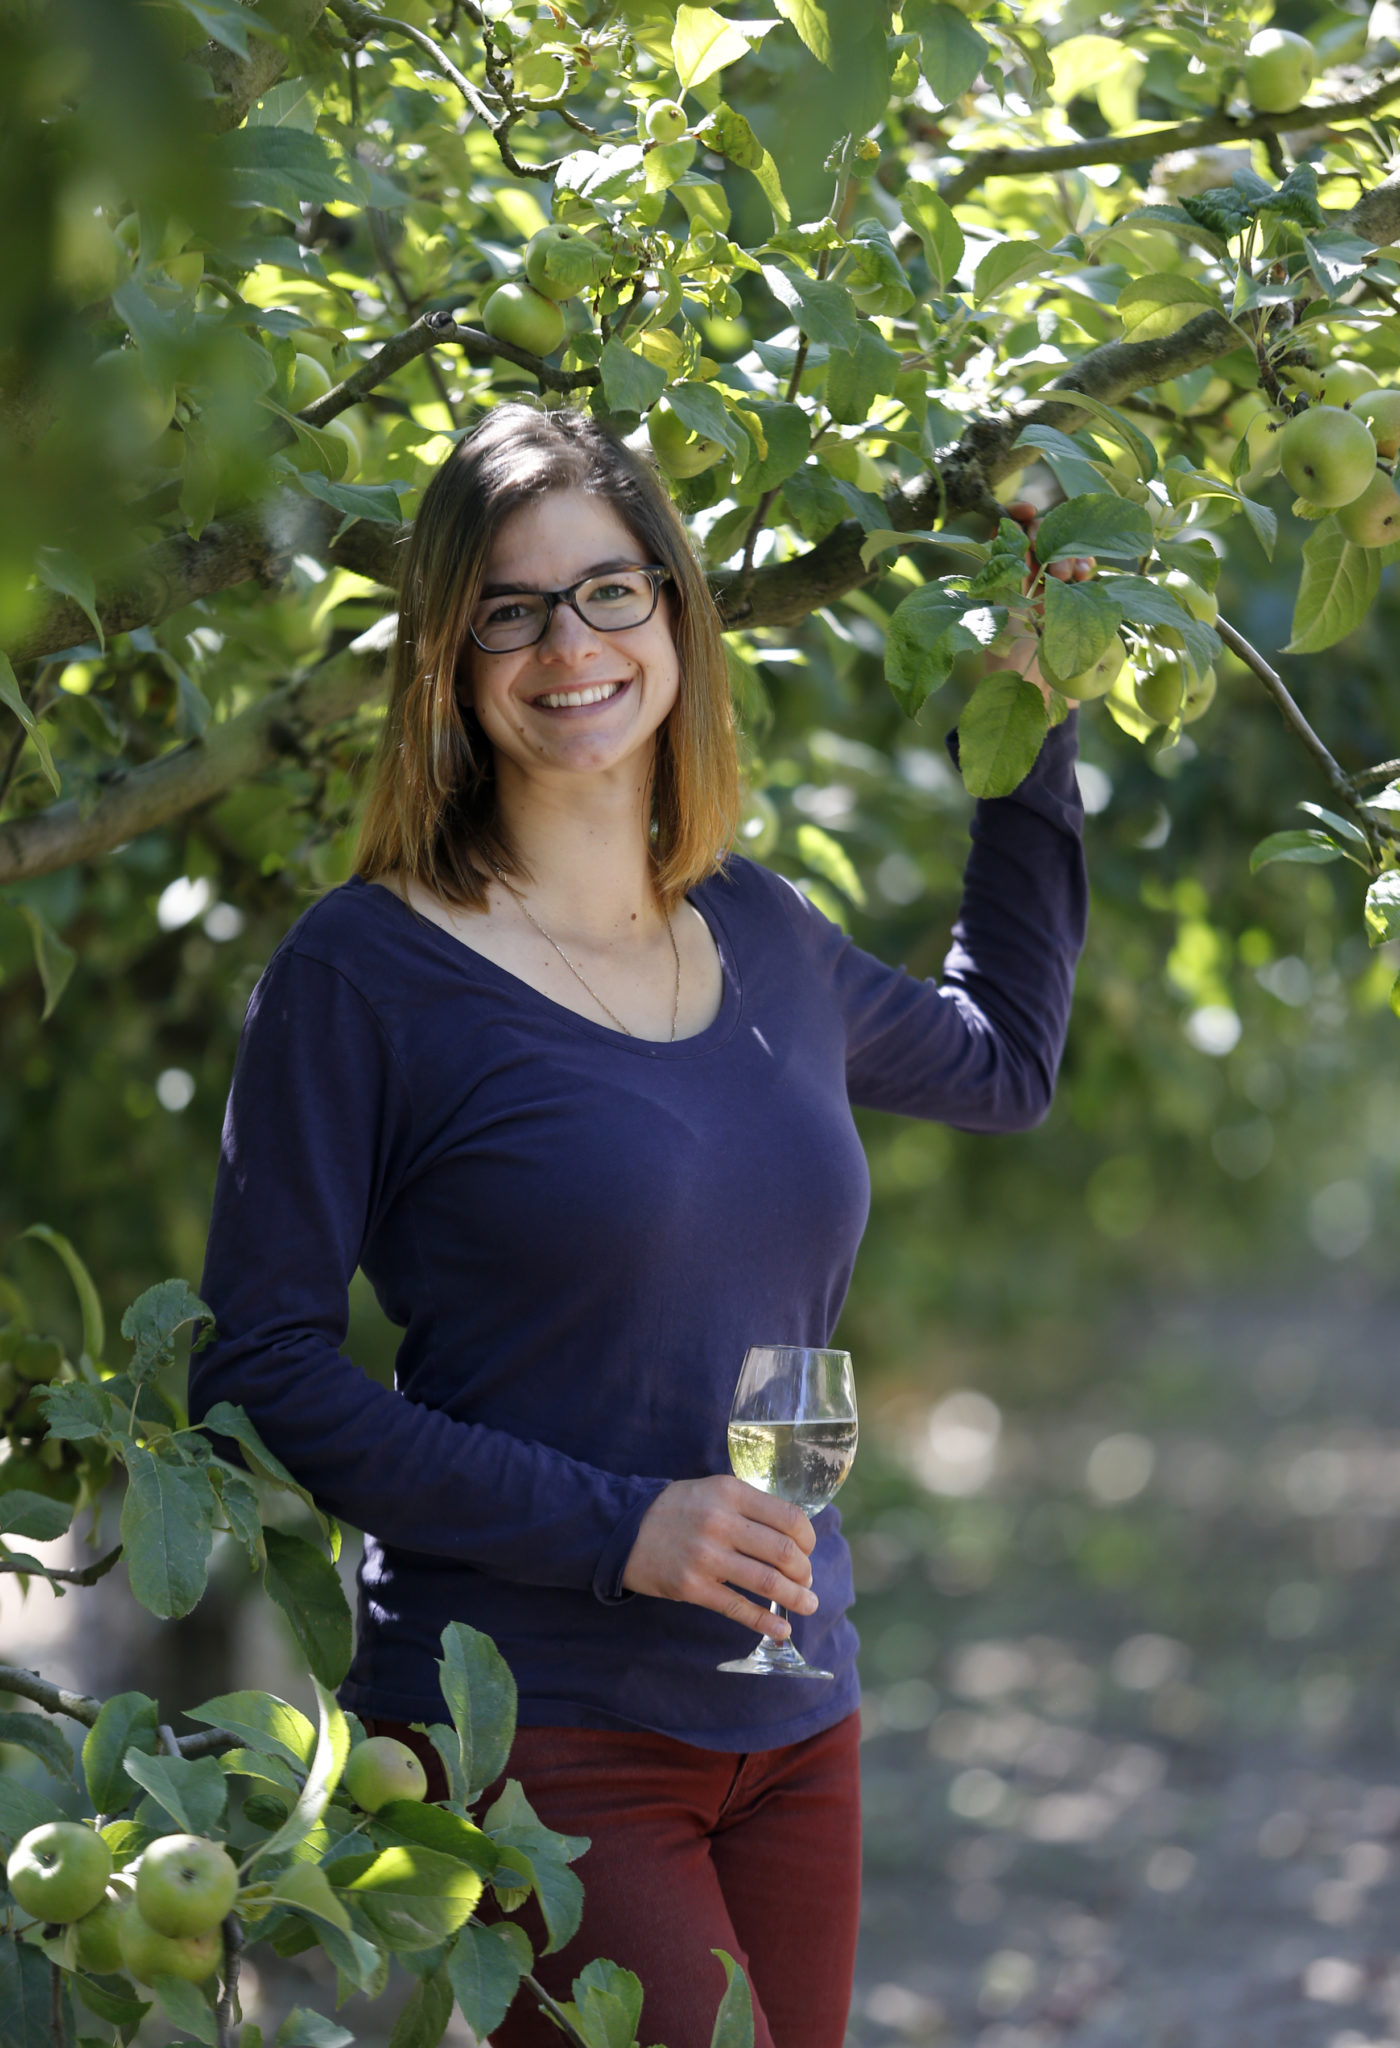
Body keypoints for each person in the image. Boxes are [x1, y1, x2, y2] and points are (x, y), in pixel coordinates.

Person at [190, 403, 1087, 2047]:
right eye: (510, 610)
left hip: (791, 1689)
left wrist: (1028, 720)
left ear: (673, 611)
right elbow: (256, 1371)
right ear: (451, 663)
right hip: (535, 1716)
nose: (569, 644)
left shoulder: (757, 926)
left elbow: (1008, 1064)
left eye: (610, 590)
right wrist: (623, 1527)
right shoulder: (366, 972)